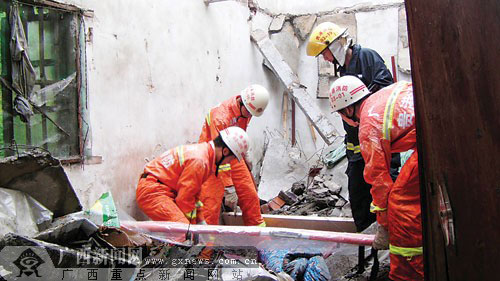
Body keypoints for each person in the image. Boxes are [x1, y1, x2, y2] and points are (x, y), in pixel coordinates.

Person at [307, 22, 400, 276]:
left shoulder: (366, 58)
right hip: (357, 148)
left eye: (324, 52)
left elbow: (386, 89)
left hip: (379, 143)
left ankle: (390, 257)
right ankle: (368, 257)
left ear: (335, 44)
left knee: (385, 196)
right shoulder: (343, 70)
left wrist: (361, 108)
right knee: (359, 198)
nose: (325, 58)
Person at [329, 76, 423, 281]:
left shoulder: (368, 125)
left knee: (400, 204)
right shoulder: (381, 97)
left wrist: (385, 226)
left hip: (432, 138)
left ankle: (408, 272)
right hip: (430, 132)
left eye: (339, 113)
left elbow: (379, 182)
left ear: (347, 109)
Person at [136, 127, 250, 226]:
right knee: (184, 233)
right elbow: (184, 199)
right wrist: (196, 226)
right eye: (232, 159)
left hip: (159, 188)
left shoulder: (204, 157)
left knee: (185, 232)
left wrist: (200, 220)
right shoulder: (200, 161)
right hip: (154, 192)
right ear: (225, 151)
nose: (229, 163)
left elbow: (193, 196)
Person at [198, 84, 269, 227]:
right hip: (212, 160)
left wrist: (245, 155)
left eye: (251, 114)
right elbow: (219, 156)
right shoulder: (220, 118)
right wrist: (229, 188)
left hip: (233, 153)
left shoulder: (245, 110)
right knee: (210, 207)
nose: (249, 116)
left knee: (249, 194)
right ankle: (206, 248)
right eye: (248, 113)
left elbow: (240, 133)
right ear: (241, 102)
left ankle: (258, 234)